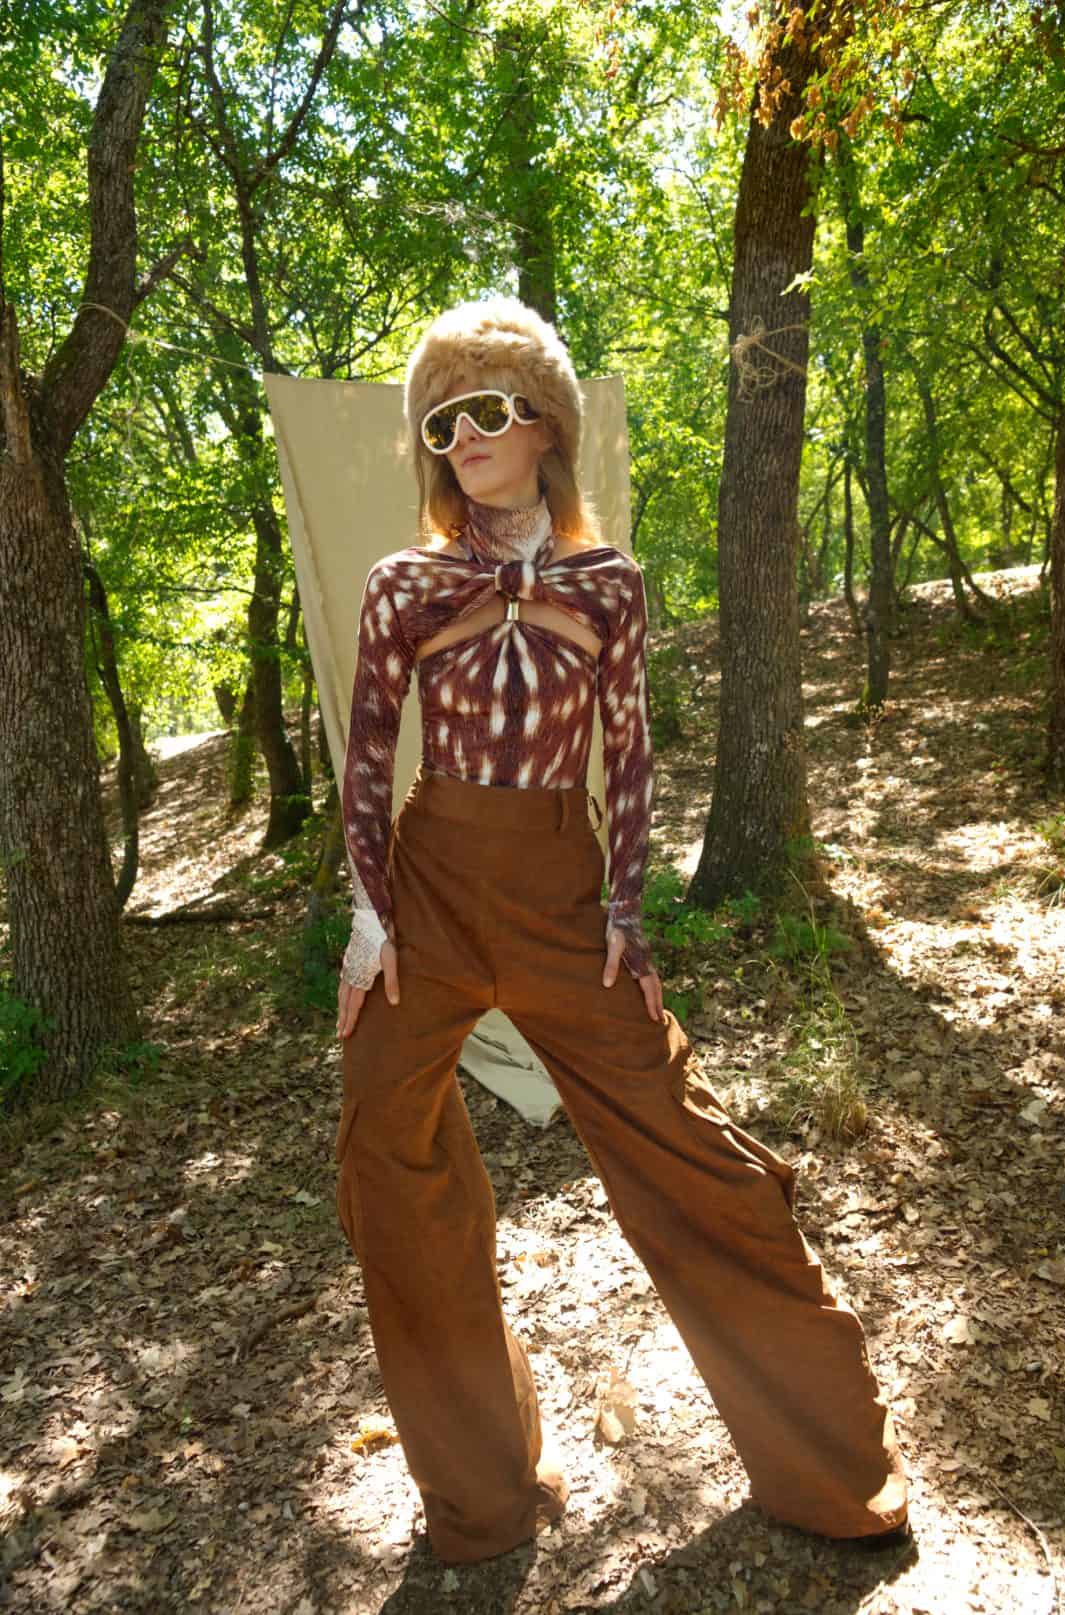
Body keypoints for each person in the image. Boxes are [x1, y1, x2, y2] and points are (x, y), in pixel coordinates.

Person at [333, 295, 910, 1566]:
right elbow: (369, 755)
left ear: (546, 422)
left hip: (559, 888)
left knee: (685, 1145)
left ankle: (830, 1470)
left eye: (488, 409)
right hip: (427, 883)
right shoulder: (405, 584)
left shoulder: (611, 579)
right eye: (442, 420)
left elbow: (630, 756)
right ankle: (480, 1498)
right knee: (385, 1146)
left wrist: (630, 916)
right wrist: (370, 916)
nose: (464, 435)